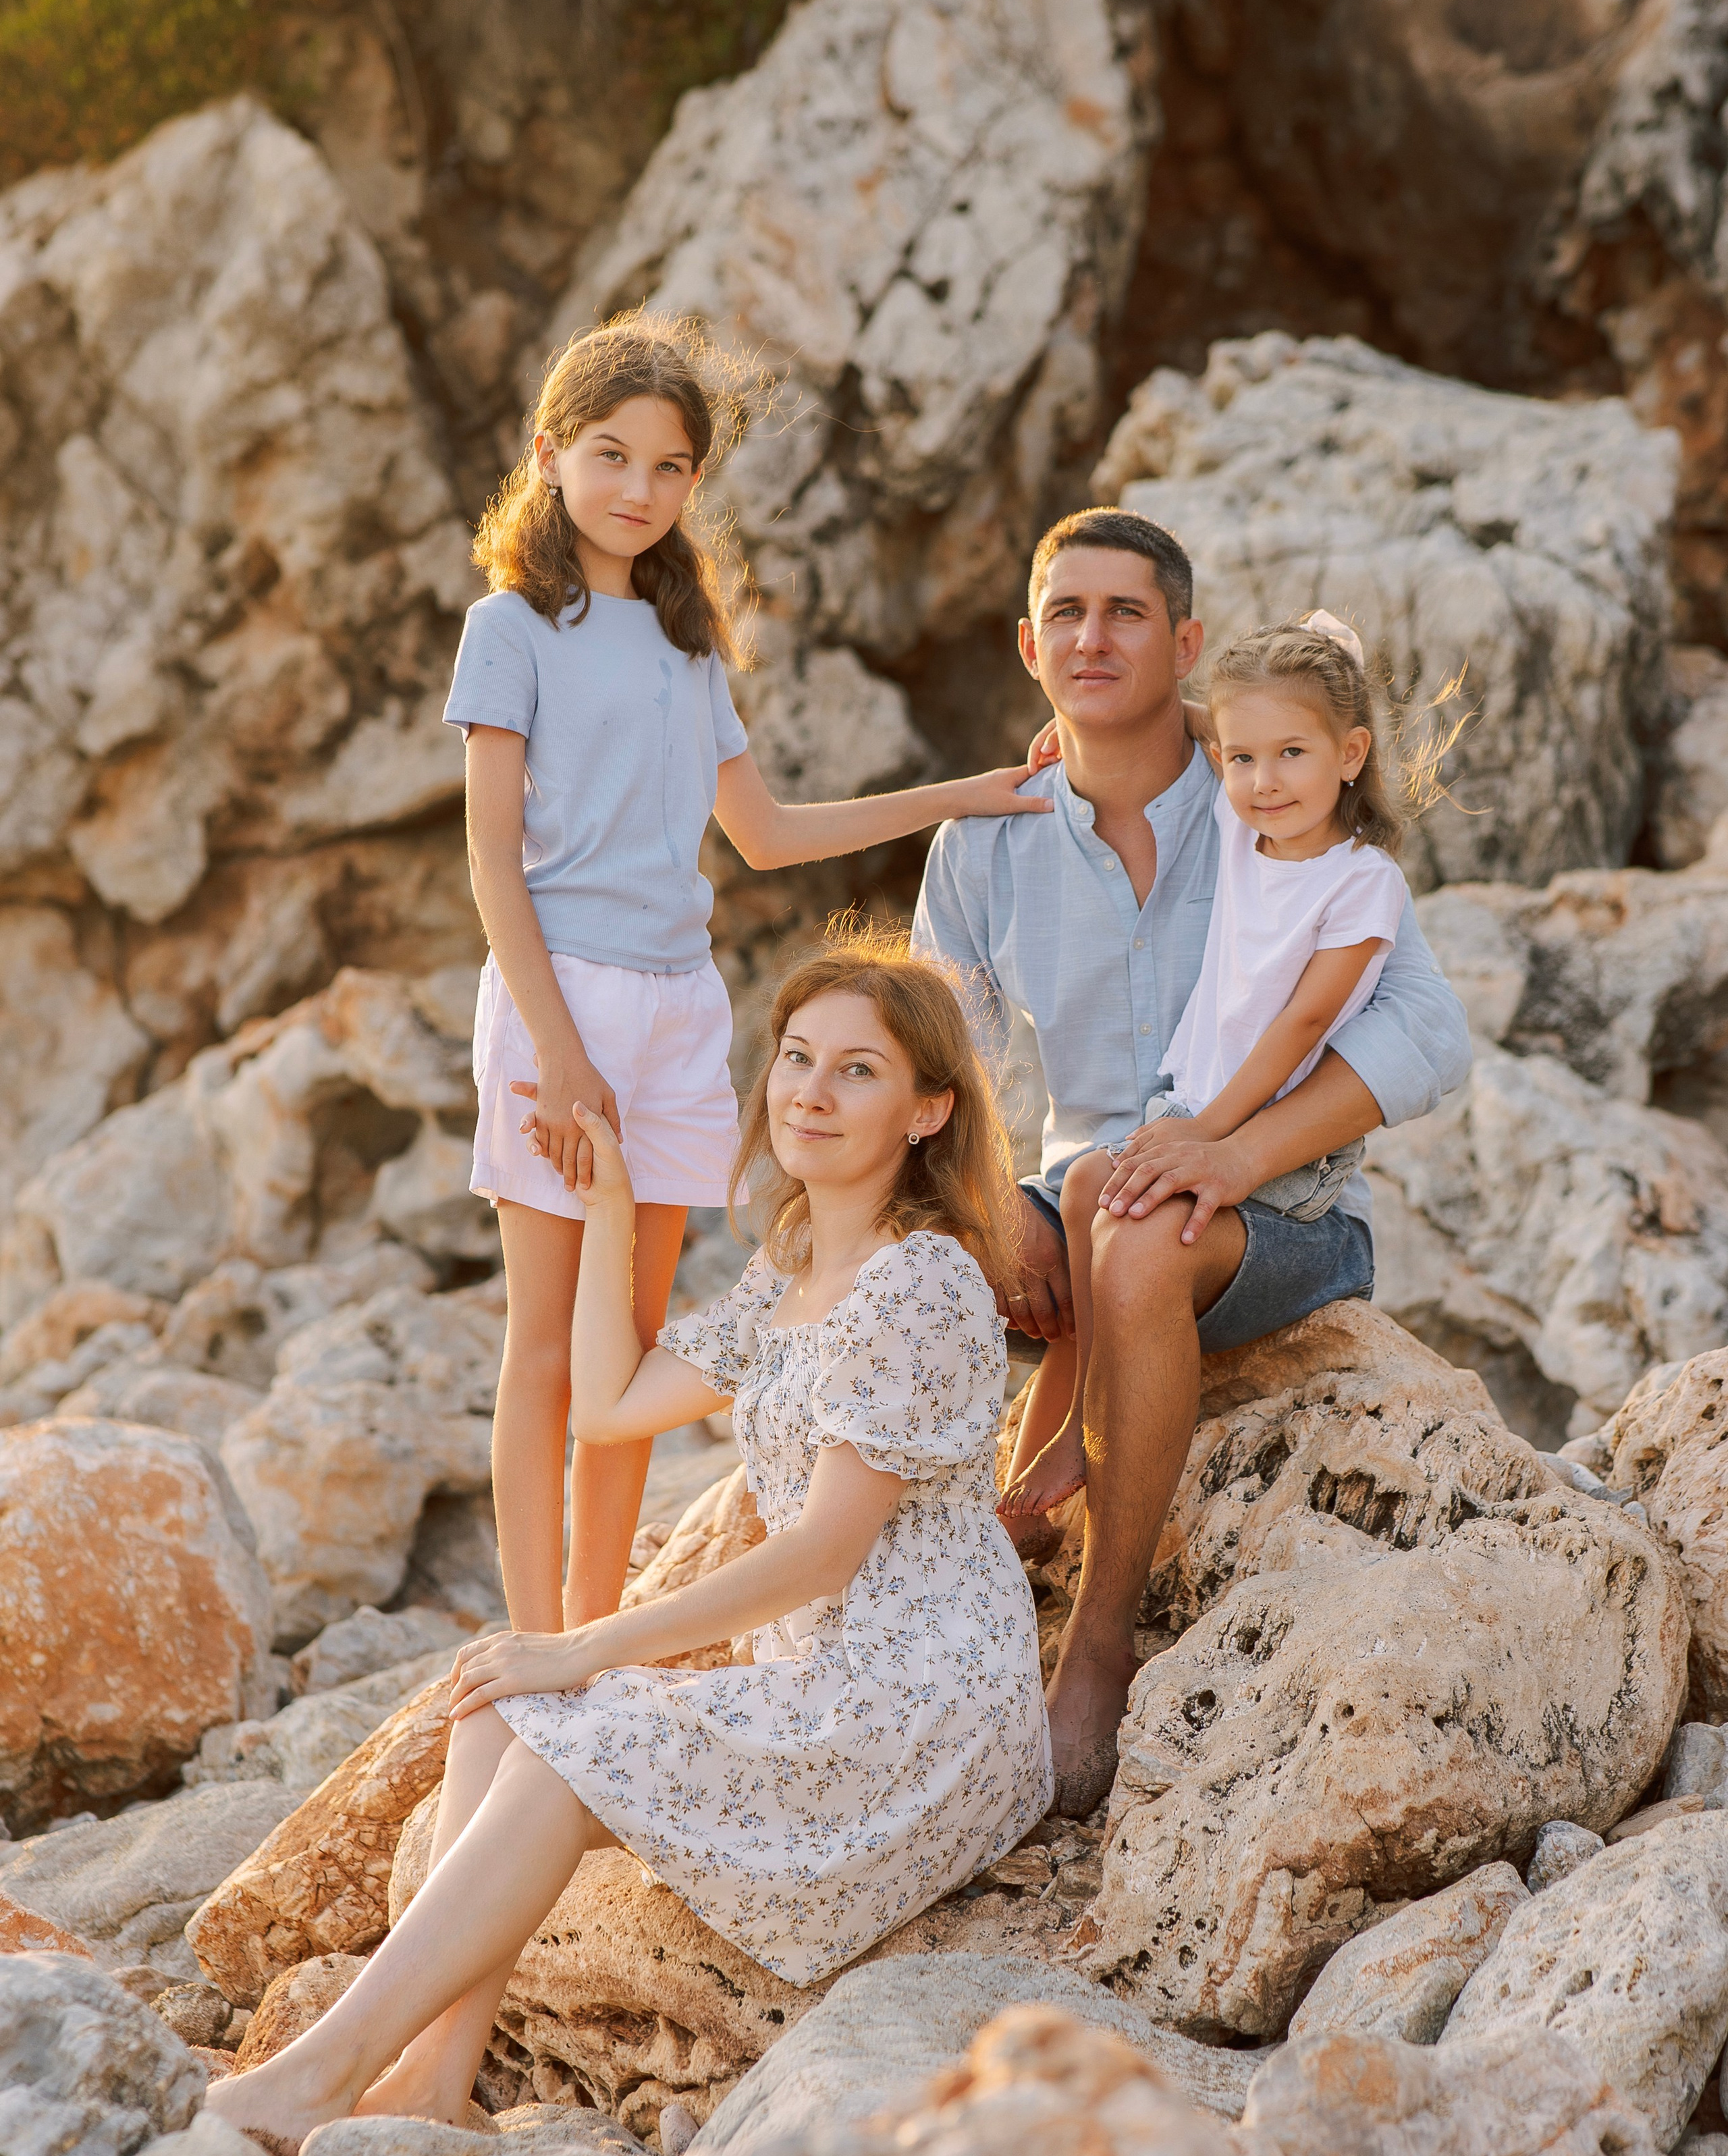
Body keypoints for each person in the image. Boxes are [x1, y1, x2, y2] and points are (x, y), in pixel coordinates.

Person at [206, 938, 1050, 2156]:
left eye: (856, 1071)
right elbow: (607, 1401)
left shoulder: (920, 1284)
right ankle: (437, 2079)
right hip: (828, 1677)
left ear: (929, 1110)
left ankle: (314, 2074)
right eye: (797, 1058)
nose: (809, 1091)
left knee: (565, 1723)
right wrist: (610, 1205)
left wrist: (590, 1646)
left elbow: (822, 1554)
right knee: (495, 1702)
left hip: (922, 1704)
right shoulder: (798, 1264)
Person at [450, 313, 1050, 1638]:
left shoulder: (684, 642)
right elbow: (493, 862)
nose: (639, 492)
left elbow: (768, 836)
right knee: (546, 1345)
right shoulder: (510, 628)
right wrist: (556, 1050)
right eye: (611, 457)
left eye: (670, 469)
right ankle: (533, 1640)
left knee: (636, 1339)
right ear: (550, 454)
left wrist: (971, 792)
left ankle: (593, 1641)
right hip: (560, 1003)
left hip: (676, 1012)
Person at [911, 508, 1472, 1814]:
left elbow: (1432, 1040)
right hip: (1088, 1184)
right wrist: (995, 1221)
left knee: (1146, 1230)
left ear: (1188, 643)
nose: (1093, 636)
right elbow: (947, 1072)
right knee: (974, 1248)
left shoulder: (1269, 806)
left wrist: (1230, 1154)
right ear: (1029, 647)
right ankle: (933, 1595)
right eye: (1067, 613)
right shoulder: (986, 842)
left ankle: (1095, 1642)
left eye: (1127, 613)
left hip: (1279, 1212)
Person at [1015, 611, 1415, 1523]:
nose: (1264, 782)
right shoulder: (1246, 832)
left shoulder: (1362, 881)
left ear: (1350, 754)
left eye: (1293, 756)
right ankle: (1081, 1422)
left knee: (1126, 1218)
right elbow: (1212, 721)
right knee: (1082, 1192)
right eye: (1243, 761)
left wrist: (1210, 1129)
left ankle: (1096, 1433)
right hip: (1190, 1106)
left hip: (1272, 1149)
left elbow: (1301, 1022)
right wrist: (1083, 728)